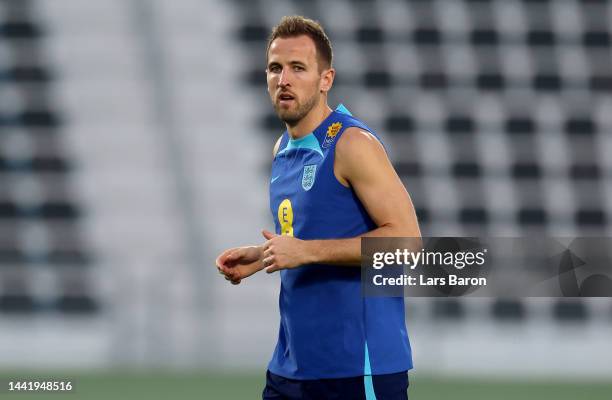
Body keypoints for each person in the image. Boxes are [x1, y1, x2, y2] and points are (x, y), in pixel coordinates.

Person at [216, 15, 421, 400]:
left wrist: (306, 251)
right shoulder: (282, 150)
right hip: (291, 368)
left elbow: (408, 242)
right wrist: (262, 256)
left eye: (298, 68)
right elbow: (310, 237)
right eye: (275, 68)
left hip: (357, 370)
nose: (284, 80)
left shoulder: (352, 144)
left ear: (326, 79)